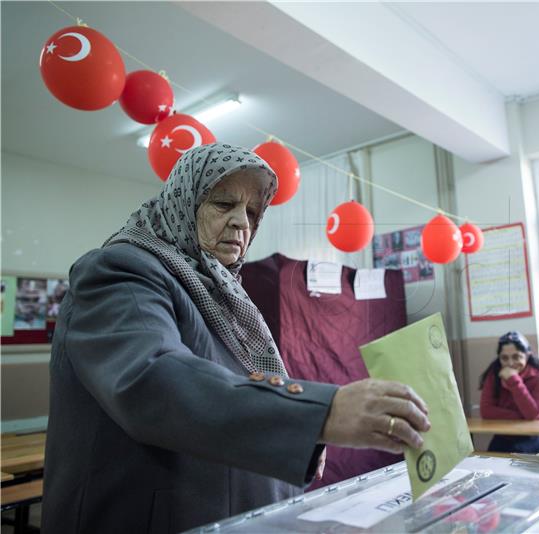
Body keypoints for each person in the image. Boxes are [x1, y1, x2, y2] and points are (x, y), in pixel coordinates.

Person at [41, 143, 430, 534]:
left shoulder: (222, 291)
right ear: (183, 202)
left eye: (252, 212)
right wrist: (320, 414)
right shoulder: (120, 271)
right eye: (223, 204)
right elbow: (153, 379)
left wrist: (305, 434)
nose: (241, 222)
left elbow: (237, 387)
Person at [478, 331, 539, 454]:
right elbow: (486, 411)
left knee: (517, 453)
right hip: (511, 432)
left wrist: (514, 380)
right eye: (504, 358)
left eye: (516, 356)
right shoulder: (494, 373)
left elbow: (532, 413)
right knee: (492, 455)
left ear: (527, 355)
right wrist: (523, 415)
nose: (510, 363)